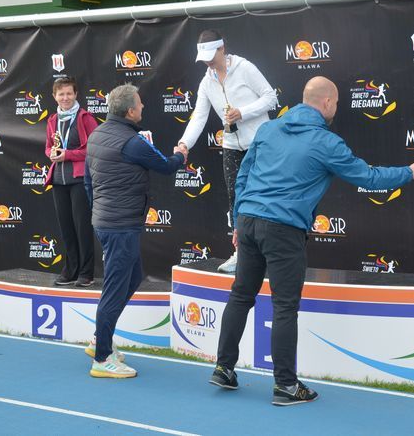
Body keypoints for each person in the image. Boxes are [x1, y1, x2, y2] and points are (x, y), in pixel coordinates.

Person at [210, 76, 414, 406]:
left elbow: (243, 175)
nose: (336, 108)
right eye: (336, 103)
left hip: (249, 221)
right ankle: (286, 385)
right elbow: (369, 178)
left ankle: (223, 368)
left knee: (241, 295)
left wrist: (240, 218)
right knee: (284, 306)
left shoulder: (268, 129)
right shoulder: (326, 142)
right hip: (283, 229)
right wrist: (410, 172)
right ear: (326, 103)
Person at [86, 83, 187, 378]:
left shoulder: (96, 135)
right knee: (115, 289)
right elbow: (166, 166)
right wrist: (181, 155)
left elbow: (88, 183)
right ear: (130, 111)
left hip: (107, 222)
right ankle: (101, 358)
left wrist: (100, 212)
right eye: (140, 104)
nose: (143, 106)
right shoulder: (133, 142)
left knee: (132, 277)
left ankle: (100, 340)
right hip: (120, 226)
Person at [177, 29, 278, 274]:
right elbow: (199, 116)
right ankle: (241, 253)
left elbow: (270, 98)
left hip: (260, 144)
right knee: (235, 198)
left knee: (265, 197)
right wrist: (184, 143)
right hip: (231, 145)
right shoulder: (206, 81)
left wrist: (243, 112)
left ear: (222, 49)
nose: (208, 62)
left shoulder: (245, 68)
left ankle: (271, 253)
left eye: (211, 56)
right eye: (204, 58)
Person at [45, 77, 98, 287]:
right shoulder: (52, 120)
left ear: (76, 94)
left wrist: (67, 154)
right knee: (66, 228)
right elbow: (48, 146)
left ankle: (86, 272)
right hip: (58, 180)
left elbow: (94, 148)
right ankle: (71, 270)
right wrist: (52, 154)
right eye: (61, 94)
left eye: (69, 93)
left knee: (82, 227)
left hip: (79, 179)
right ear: (54, 96)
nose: (65, 98)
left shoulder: (85, 118)